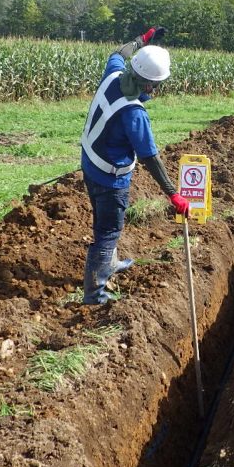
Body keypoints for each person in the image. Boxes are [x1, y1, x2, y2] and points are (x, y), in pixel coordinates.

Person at [80, 26, 190, 305]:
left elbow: (119, 52)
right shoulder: (134, 113)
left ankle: (110, 263)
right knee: (108, 231)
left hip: (90, 161)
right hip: (109, 177)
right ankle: (95, 293)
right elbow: (151, 158)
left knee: (103, 221)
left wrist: (144, 38)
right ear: (150, 85)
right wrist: (172, 194)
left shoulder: (114, 74)